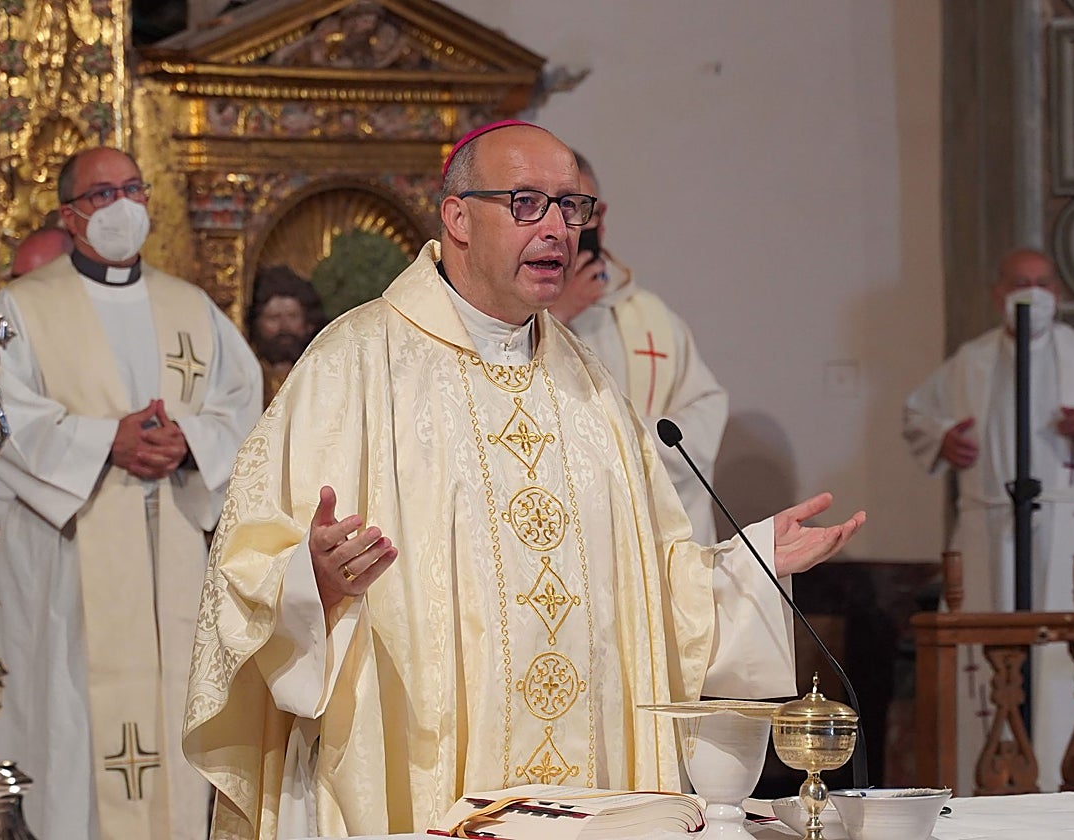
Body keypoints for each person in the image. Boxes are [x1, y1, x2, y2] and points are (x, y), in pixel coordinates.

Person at [183, 120, 865, 838]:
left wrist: (748, 567)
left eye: (571, 207)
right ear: (457, 218)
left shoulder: (592, 389)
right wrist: (313, 583)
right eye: (527, 203)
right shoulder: (353, 366)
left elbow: (653, 591)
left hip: (591, 793)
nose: (558, 229)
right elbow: (248, 571)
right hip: (419, 777)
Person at [0, 146, 263, 840]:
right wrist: (106, 440)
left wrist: (189, 441)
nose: (122, 206)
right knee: (73, 720)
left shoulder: (189, 306)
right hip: (69, 555)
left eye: (133, 189)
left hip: (170, 552)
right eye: (102, 194)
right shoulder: (25, 306)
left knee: (171, 712)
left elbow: (243, 407)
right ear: (69, 216)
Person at [903, 247, 1074, 792]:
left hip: (1067, 529)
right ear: (996, 293)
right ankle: (984, 781)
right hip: (988, 532)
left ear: (1058, 292)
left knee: (1058, 665)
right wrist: (944, 439)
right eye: (1018, 283)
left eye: (1042, 283)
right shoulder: (971, 361)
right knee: (985, 660)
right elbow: (918, 416)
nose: (1031, 293)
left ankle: (1063, 782)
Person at [548, 150, 728, 544]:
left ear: (601, 218)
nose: (564, 228)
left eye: (578, 209)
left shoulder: (650, 317)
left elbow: (706, 408)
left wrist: (634, 445)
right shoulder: (515, 318)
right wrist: (556, 313)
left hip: (648, 526)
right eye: (554, 209)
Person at [246, 263, 327, 405]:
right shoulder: (245, 374)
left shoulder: (323, 371)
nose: (284, 326)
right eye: (274, 318)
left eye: (292, 316)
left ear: (308, 322)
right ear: (257, 323)